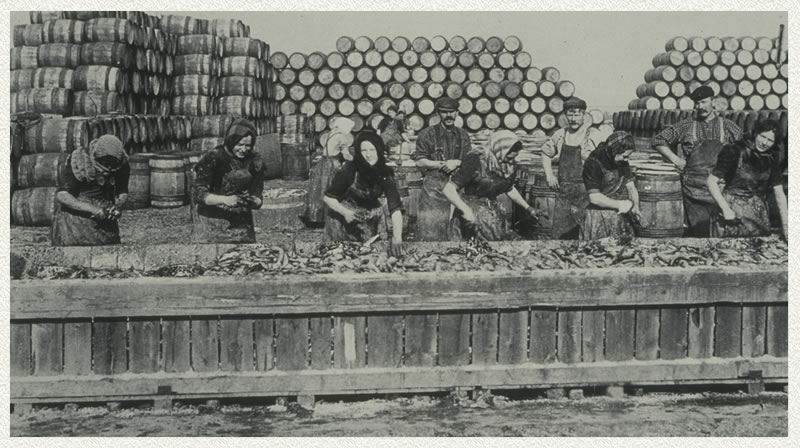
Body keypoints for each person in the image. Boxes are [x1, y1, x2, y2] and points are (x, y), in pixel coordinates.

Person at [652, 85, 743, 237]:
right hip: (694, 192)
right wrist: (676, 160)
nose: (700, 107)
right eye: (697, 103)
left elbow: (744, 148)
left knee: (722, 235)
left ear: (713, 102)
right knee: (699, 235)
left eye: (704, 102)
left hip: (721, 190)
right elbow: (658, 140)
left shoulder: (728, 126)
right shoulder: (687, 125)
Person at [443, 130, 543, 241]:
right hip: (470, 214)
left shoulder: (507, 165)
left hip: (492, 213)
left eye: (514, 158)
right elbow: (449, 189)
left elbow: (509, 188)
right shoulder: (475, 161)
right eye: (508, 158)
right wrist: (466, 210)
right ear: (499, 151)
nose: (511, 161)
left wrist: (528, 208)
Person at [323, 130, 407, 256]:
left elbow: (395, 208)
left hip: (370, 219)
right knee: (343, 256)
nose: (368, 155)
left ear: (379, 150)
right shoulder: (349, 170)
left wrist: (397, 238)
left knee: (370, 256)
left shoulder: (385, 172)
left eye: (372, 150)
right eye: (364, 151)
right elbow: (328, 197)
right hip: (344, 220)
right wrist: (345, 212)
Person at [707, 119, 788, 239]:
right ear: (755, 133)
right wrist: (725, 209)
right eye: (762, 136)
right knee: (727, 252)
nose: (764, 143)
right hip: (732, 211)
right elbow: (711, 181)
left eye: (770, 140)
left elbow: (779, 193)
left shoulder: (771, 159)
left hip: (757, 214)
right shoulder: (734, 150)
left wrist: (786, 226)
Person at [191, 118, 265, 244]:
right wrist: (225, 200)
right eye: (240, 145)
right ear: (231, 141)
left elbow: (257, 191)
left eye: (248, 145)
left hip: (241, 225)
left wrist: (255, 201)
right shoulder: (214, 157)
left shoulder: (254, 159)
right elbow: (198, 194)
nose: (244, 149)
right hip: (212, 224)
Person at [541, 96, 604, 239]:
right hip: (564, 194)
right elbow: (545, 153)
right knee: (560, 235)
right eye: (570, 114)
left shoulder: (593, 135)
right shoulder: (560, 135)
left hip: (586, 193)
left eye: (577, 114)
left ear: (583, 115)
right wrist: (549, 175)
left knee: (585, 234)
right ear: (565, 115)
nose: (573, 118)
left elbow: (605, 161)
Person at [50, 135, 130, 246]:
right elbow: (63, 195)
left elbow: (122, 191)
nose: (110, 169)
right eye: (106, 163)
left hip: (104, 220)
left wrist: (118, 206)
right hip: (76, 221)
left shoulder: (122, 164)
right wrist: (93, 209)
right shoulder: (80, 161)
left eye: (113, 165)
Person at [412, 97, 472, 241]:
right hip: (433, 190)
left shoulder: (463, 135)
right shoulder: (427, 134)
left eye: (452, 112)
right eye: (445, 112)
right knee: (430, 234)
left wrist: (456, 162)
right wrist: (442, 164)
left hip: (457, 189)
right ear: (438, 113)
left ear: (457, 113)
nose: (449, 116)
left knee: (457, 235)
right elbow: (420, 162)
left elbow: (469, 160)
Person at [581, 131, 642, 240]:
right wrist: (620, 205)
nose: (626, 159)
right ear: (615, 151)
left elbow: (631, 186)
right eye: (624, 156)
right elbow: (594, 198)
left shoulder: (622, 161)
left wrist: (636, 206)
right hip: (598, 215)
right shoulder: (594, 162)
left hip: (618, 215)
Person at [305, 117, 355, 225]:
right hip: (333, 163)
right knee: (333, 188)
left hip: (323, 162)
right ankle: (332, 216)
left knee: (320, 188)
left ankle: (317, 217)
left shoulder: (332, 133)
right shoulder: (342, 137)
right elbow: (346, 155)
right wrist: (356, 160)